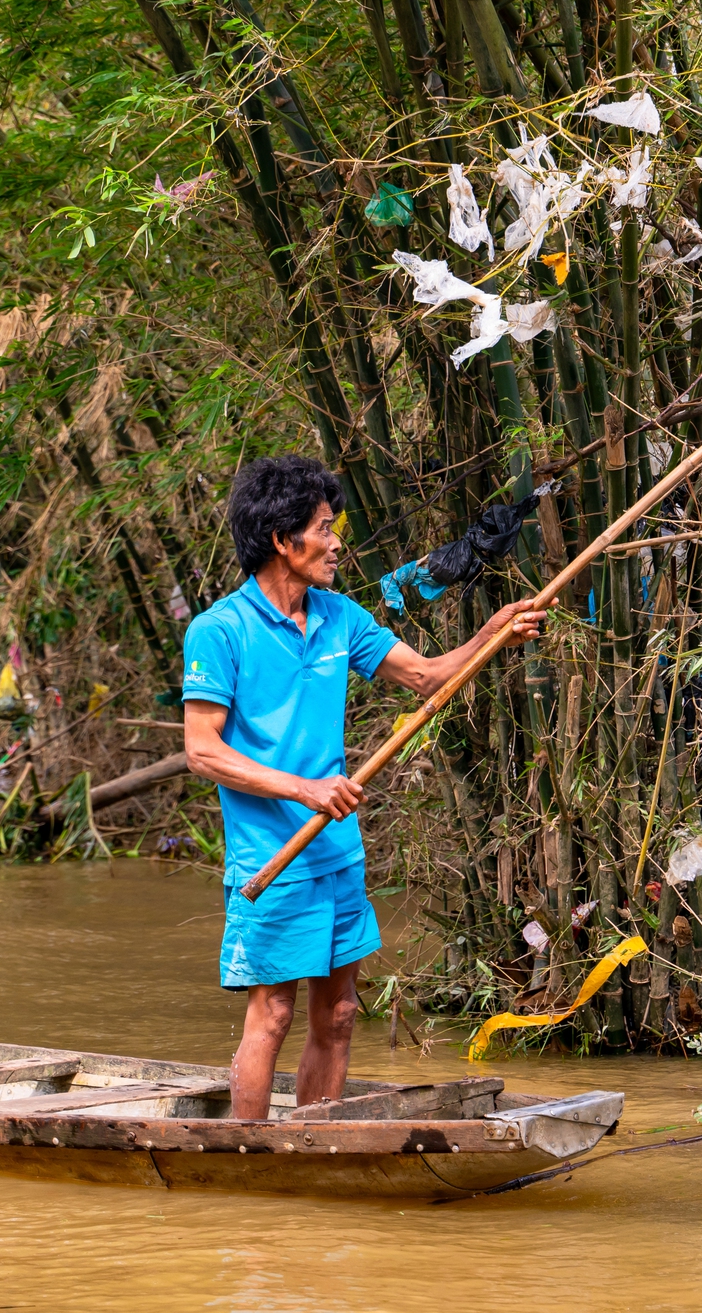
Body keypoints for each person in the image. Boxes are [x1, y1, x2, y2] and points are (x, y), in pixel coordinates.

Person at [182, 456, 542, 1118]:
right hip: (271, 857)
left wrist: (491, 634)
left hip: (336, 853)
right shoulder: (219, 630)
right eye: (323, 528)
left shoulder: (340, 617)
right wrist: (304, 789)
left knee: (341, 1012)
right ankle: (252, 1158)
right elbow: (202, 751)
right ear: (282, 541)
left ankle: (316, 1143)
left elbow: (428, 677)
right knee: (272, 1014)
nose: (337, 541)